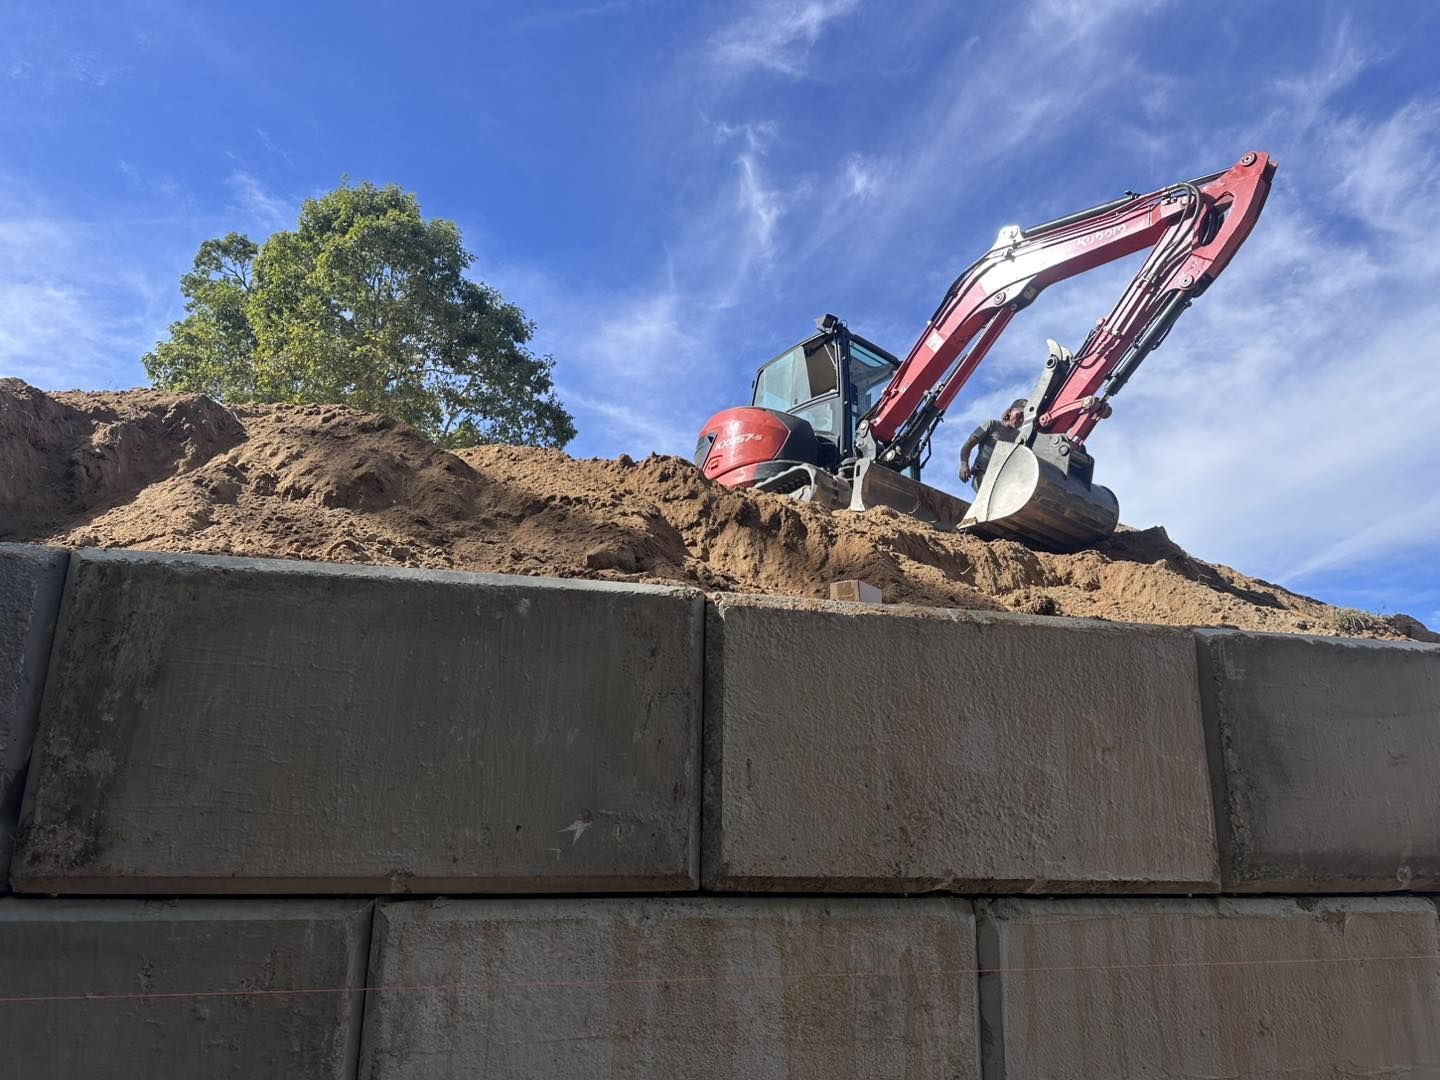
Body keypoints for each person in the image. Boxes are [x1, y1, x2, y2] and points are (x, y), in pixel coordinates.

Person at [959, 399, 1027, 491]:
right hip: (982, 475)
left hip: (1002, 480)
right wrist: (964, 465)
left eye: (1024, 416)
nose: (1021, 419)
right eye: (1019, 414)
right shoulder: (992, 425)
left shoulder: (1020, 437)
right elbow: (968, 445)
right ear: (1010, 411)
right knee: (990, 494)